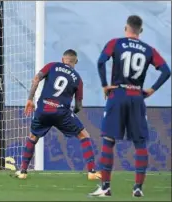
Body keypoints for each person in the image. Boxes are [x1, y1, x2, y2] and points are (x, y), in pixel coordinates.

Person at [89, 15, 171, 197]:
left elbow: (101, 61)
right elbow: (166, 71)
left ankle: (105, 187)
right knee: (140, 143)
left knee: (108, 141)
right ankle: (138, 188)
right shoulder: (149, 49)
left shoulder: (115, 43)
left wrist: (104, 84)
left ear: (126, 27)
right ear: (140, 31)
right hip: (136, 96)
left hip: (117, 94)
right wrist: (152, 90)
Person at [15, 49, 100, 180]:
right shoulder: (77, 78)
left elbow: (37, 78)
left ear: (62, 59)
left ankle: (23, 171)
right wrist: (71, 114)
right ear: (75, 61)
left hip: (43, 109)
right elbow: (78, 106)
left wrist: (30, 99)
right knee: (84, 135)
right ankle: (92, 172)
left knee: (33, 137)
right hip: (62, 113)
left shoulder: (52, 66)